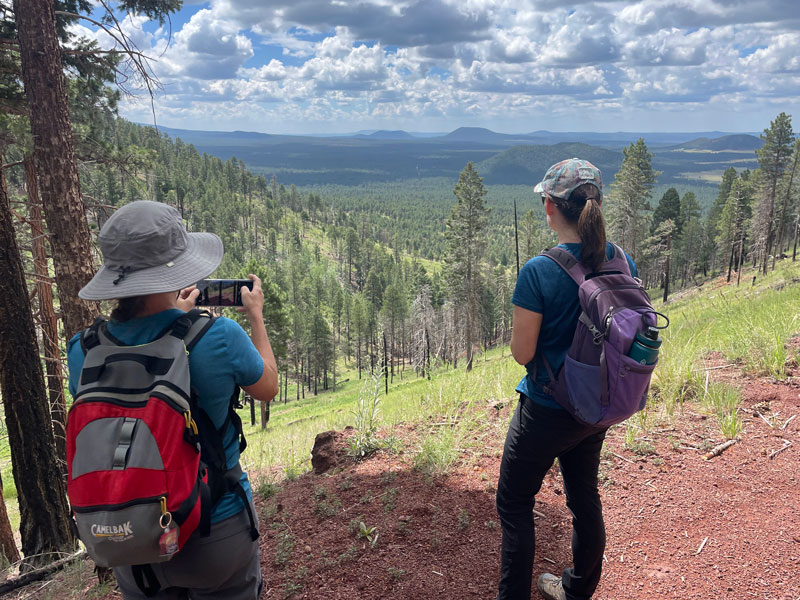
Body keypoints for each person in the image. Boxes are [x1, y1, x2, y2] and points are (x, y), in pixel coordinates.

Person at [67, 200, 279, 600]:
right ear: (174, 268)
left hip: (134, 538)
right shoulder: (217, 337)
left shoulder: (83, 349)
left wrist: (175, 317)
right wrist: (255, 317)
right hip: (215, 530)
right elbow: (267, 387)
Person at [496, 159, 637, 600]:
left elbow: (523, 353)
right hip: (598, 404)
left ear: (549, 207)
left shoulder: (538, 272)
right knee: (583, 498)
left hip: (548, 410)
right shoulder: (620, 258)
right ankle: (576, 591)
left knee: (516, 504)